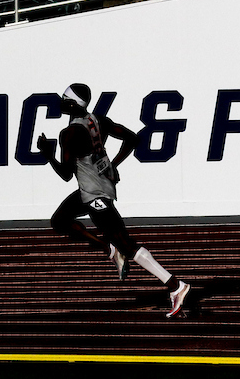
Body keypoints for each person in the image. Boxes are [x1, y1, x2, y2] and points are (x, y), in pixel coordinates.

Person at [37, 83, 191, 318]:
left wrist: (47, 155)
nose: (59, 101)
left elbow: (66, 174)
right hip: (101, 184)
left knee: (126, 243)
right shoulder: (97, 120)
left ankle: (175, 286)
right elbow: (131, 138)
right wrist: (114, 164)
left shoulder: (69, 134)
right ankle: (109, 248)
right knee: (60, 220)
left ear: (71, 104)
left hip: (94, 193)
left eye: (63, 98)